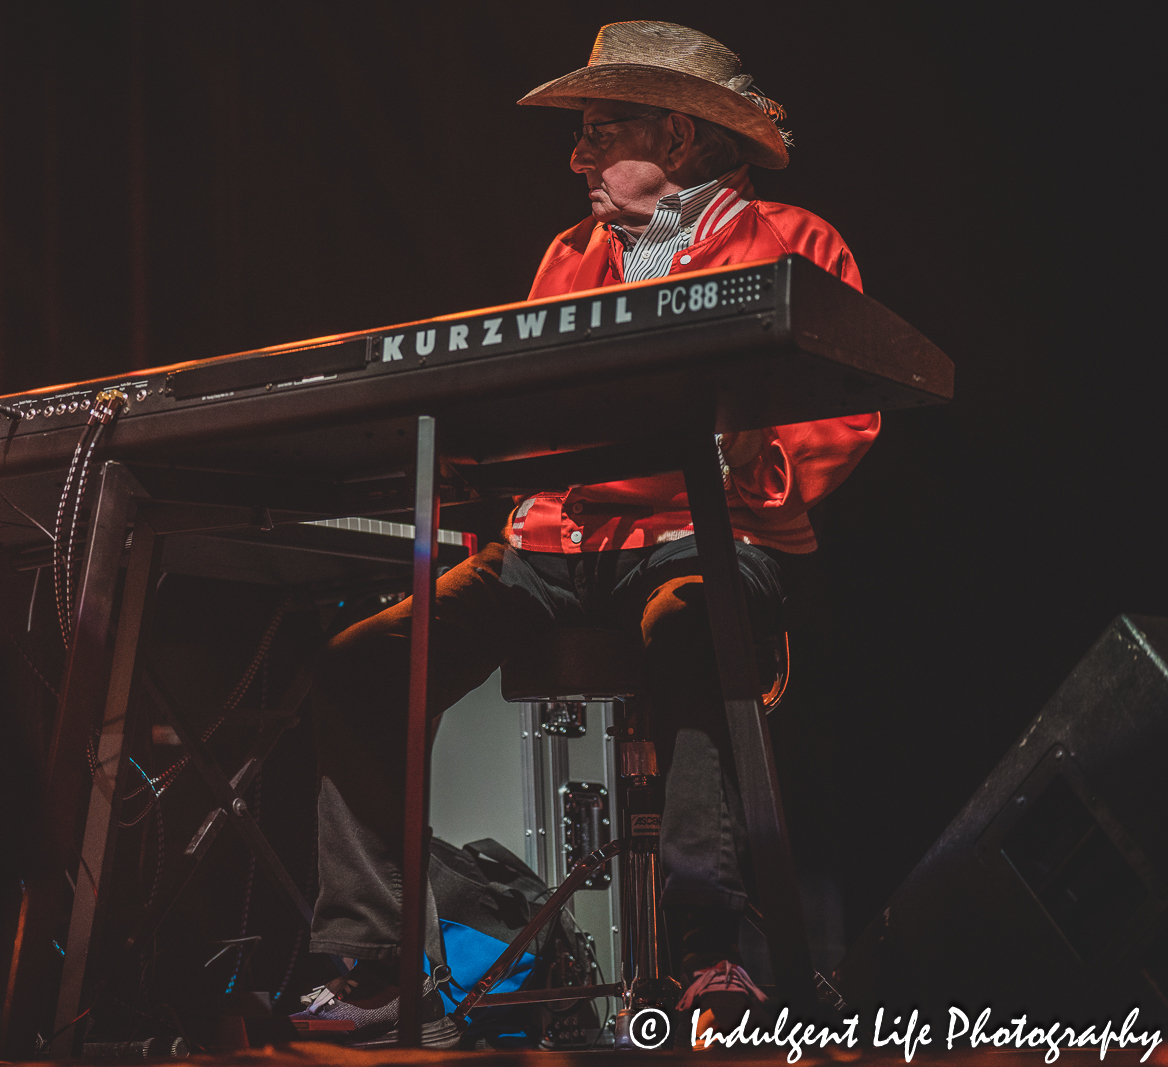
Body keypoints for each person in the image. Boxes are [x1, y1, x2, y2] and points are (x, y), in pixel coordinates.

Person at [292, 21, 878, 1047]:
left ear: (681, 136)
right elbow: (522, 408)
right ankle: (380, 957)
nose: (577, 159)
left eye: (601, 132)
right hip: (554, 549)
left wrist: (756, 452)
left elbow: (843, 407)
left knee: (695, 619)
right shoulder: (569, 256)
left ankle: (710, 955)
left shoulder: (793, 240)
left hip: (703, 532)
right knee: (358, 665)